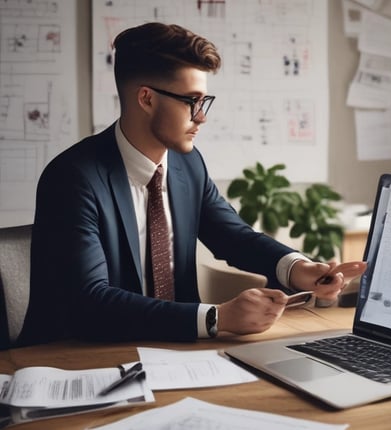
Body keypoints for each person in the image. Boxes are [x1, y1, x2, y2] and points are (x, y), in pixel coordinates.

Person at [18, 22, 364, 346]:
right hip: (76, 360)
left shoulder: (187, 163)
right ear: (147, 98)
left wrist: (298, 269)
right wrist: (217, 317)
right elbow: (91, 301)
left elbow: (233, 237)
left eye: (204, 102)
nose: (202, 117)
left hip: (177, 356)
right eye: (191, 102)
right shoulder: (73, 178)